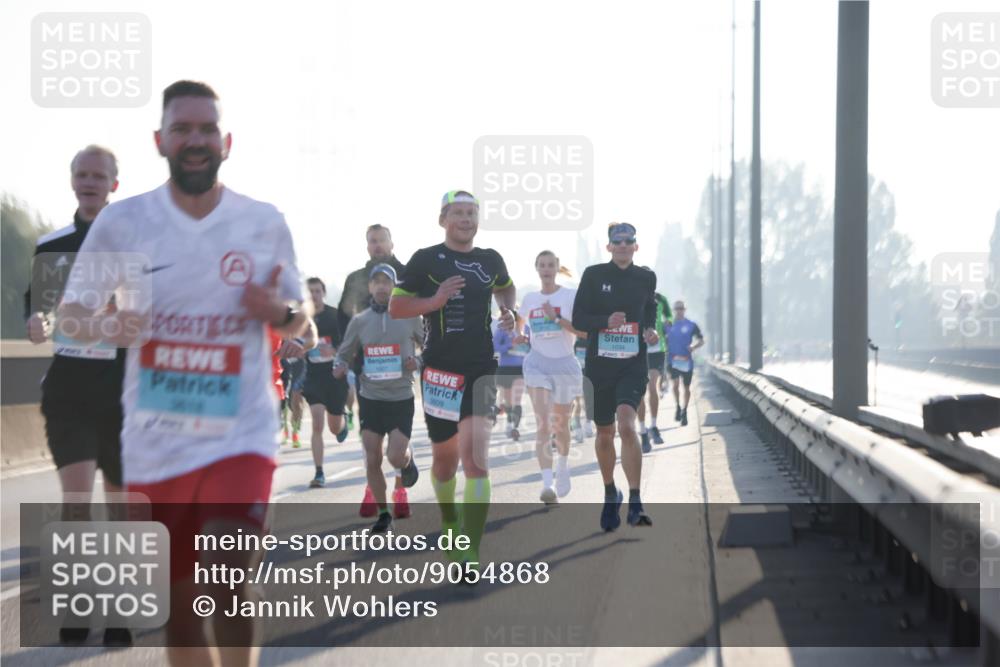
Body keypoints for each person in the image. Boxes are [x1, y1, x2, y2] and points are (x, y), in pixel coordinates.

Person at [57, 80, 310, 667]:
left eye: (206, 130)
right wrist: (111, 325)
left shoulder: (262, 222)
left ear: (226, 142)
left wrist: (279, 314)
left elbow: (303, 321)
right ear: (160, 140)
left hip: (240, 435)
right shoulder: (123, 223)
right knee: (179, 603)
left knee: (224, 579)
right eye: (182, 129)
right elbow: (70, 316)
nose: (195, 140)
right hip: (155, 441)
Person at [23, 144, 133, 647]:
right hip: (69, 393)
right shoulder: (52, 246)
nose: (89, 182)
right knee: (76, 503)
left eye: (98, 176)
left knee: (120, 508)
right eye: (82, 175)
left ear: (114, 185)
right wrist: (35, 322)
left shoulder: (133, 248)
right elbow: (38, 309)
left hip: (122, 394)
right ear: (72, 181)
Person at [389, 190, 515, 577]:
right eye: (458, 212)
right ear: (443, 219)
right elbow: (397, 306)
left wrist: (508, 309)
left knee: (476, 461)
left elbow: (505, 286)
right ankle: (448, 521)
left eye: (471, 212)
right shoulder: (426, 259)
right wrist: (434, 301)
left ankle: (469, 550)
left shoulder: (490, 259)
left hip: (480, 368)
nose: (466, 219)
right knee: (446, 463)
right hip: (440, 371)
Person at [572, 222, 657, 531]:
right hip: (599, 367)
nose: (622, 245)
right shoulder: (593, 275)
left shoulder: (646, 277)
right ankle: (611, 492)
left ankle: (636, 501)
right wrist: (605, 321)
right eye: (617, 241)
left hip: (632, 365)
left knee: (626, 424)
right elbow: (578, 319)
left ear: (636, 246)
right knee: (605, 433)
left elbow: (650, 309)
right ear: (609, 246)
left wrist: (650, 329)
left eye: (628, 241)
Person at [334, 264, 422, 532]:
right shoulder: (360, 321)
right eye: (377, 282)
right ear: (370, 287)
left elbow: (429, 346)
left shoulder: (410, 317)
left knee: (394, 457)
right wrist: (339, 366)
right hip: (371, 398)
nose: (382, 286)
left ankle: (407, 460)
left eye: (387, 282)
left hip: (400, 397)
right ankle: (384, 514)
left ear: (394, 287)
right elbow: (343, 353)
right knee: (372, 457)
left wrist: (417, 361)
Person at [521, 250, 584, 504]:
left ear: (557, 268)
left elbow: (582, 331)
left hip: (565, 364)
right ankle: (547, 485)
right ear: (536, 268)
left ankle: (563, 466)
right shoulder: (530, 299)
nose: (546, 269)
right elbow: (520, 325)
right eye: (542, 265)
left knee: (560, 426)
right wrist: (518, 335)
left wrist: (556, 318)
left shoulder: (569, 296)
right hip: (537, 363)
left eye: (550, 265)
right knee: (544, 424)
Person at [338, 224, 407, 432]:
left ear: (392, 243)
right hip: (367, 361)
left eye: (382, 240)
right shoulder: (356, 278)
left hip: (402, 360)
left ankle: (402, 450)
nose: (378, 245)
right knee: (370, 426)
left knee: (399, 427)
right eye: (373, 241)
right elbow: (343, 318)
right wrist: (347, 353)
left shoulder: (408, 274)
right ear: (367, 246)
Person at [303, 277, 350, 488]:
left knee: (334, 428)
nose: (314, 295)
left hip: (335, 376)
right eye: (310, 291)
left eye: (317, 291)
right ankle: (319, 472)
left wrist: (334, 350)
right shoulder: (302, 318)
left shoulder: (335, 315)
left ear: (323, 293)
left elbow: (349, 343)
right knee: (316, 422)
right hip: (313, 377)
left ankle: (342, 423)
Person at [636, 290, 672, 451]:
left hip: (657, 349)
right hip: (638, 349)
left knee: (653, 387)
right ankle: (643, 430)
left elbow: (669, 316)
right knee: (641, 392)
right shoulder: (633, 295)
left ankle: (654, 425)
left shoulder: (660, 299)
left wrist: (667, 323)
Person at [666, 300, 705, 427]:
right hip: (672, 360)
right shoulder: (668, 324)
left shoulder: (691, 325)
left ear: (684, 310)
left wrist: (693, 347)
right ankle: (677, 406)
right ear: (674, 310)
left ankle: (685, 411)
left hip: (686, 361)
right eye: (677, 308)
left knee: (686, 387)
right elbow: (661, 338)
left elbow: (701, 340)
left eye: (681, 308)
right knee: (675, 385)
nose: (679, 311)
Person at [493, 312, 527, 440]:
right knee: (508, 401)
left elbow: (533, 346)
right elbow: (495, 346)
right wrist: (510, 345)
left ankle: (515, 428)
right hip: (505, 368)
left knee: (517, 399)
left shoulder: (526, 329)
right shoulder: (502, 329)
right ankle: (509, 422)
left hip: (520, 369)